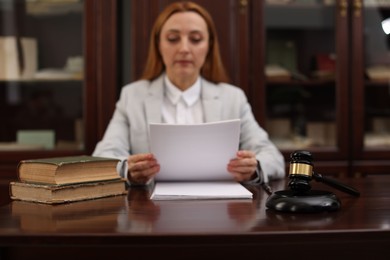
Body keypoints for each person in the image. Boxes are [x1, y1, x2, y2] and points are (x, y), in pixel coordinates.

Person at [92, 1, 285, 186]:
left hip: (219, 209)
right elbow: (102, 159)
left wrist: (253, 168)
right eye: (173, 39)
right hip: (150, 211)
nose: (184, 49)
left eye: (196, 39)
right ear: (158, 45)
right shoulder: (132, 96)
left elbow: (273, 158)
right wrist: (129, 170)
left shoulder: (233, 98)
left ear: (209, 46)